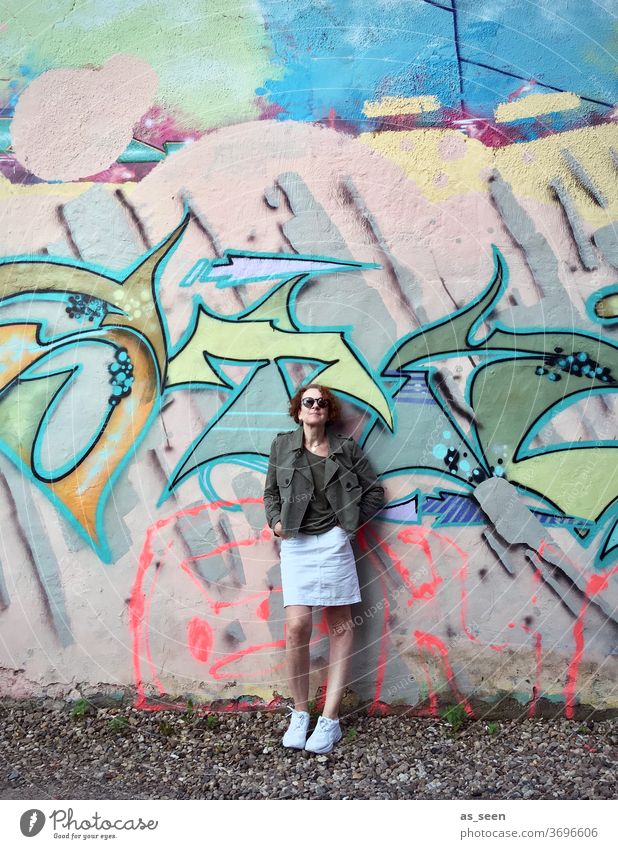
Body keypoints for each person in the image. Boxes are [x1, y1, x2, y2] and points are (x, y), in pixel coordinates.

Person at [263, 383, 384, 753]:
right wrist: (275, 522)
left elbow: (375, 492)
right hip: (296, 543)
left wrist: (346, 526)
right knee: (298, 625)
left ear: (327, 412)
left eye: (321, 403)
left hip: (333, 544)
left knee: (340, 625)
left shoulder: (345, 450)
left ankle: (329, 720)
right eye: (307, 401)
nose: (314, 406)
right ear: (298, 410)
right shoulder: (282, 446)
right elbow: (270, 493)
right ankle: (300, 713)